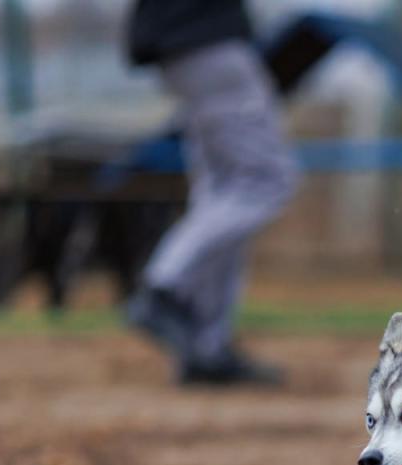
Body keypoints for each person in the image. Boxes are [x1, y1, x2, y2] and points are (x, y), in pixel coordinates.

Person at [124, 0, 296, 386]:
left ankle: (207, 346)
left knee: (223, 188)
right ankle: (164, 286)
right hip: (209, 43)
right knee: (265, 181)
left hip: (179, 48)